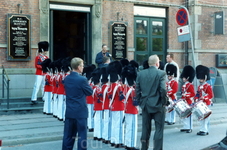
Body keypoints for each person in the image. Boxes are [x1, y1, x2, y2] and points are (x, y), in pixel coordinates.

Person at [136, 55, 168, 150]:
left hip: (145, 104)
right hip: (158, 104)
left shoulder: (141, 74)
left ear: (149, 63)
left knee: (145, 129)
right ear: (157, 63)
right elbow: (162, 89)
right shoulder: (161, 73)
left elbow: (137, 90)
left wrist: (140, 102)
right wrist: (164, 101)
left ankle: (144, 148)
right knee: (159, 129)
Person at [62, 57, 93, 150]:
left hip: (70, 111)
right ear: (79, 67)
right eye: (82, 66)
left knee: (68, 136)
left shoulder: (66, 78)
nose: (83, 68)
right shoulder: (82, 79)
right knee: (82, 137)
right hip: (80, 112)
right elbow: (90, 92)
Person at [194, 65, 214, 136]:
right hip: (200, 103)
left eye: (201, 79)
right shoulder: (200, 86)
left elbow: (211, 95)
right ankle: (202, 129)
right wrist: (196, 98)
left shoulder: (208, 86)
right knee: (201, 117)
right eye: (200, 79)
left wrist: (204, 97)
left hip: (206, 103)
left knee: (206, 118)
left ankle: (205, 130)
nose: (200, 80)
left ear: (205, 78)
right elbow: (197, 93)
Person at [179, 65, 196, 133]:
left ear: (188, 77)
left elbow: (192, 94)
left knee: (189, 116)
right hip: (184, 102)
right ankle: (186, 127)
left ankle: (190, 127)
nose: (183, 78)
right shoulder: (184, 85)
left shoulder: (190, 85)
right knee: (184, 115)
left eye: (184, 77)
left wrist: (186, 95)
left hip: (189, 102)